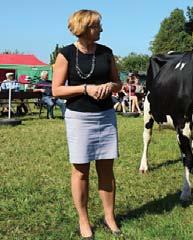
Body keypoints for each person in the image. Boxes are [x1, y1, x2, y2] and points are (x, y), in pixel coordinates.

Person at [52, 9, 123, 239]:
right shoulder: (65, 55)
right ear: (83, 28)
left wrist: (109, 87)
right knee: (80, 171)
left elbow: (118, 84)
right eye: (96, 26)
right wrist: (85, 88)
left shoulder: (107, 53)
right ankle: (84, 220)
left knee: (106, 169)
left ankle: (109, 216)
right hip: (79, 118)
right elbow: (57, 90)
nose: (101, 30)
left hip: (106, 116)